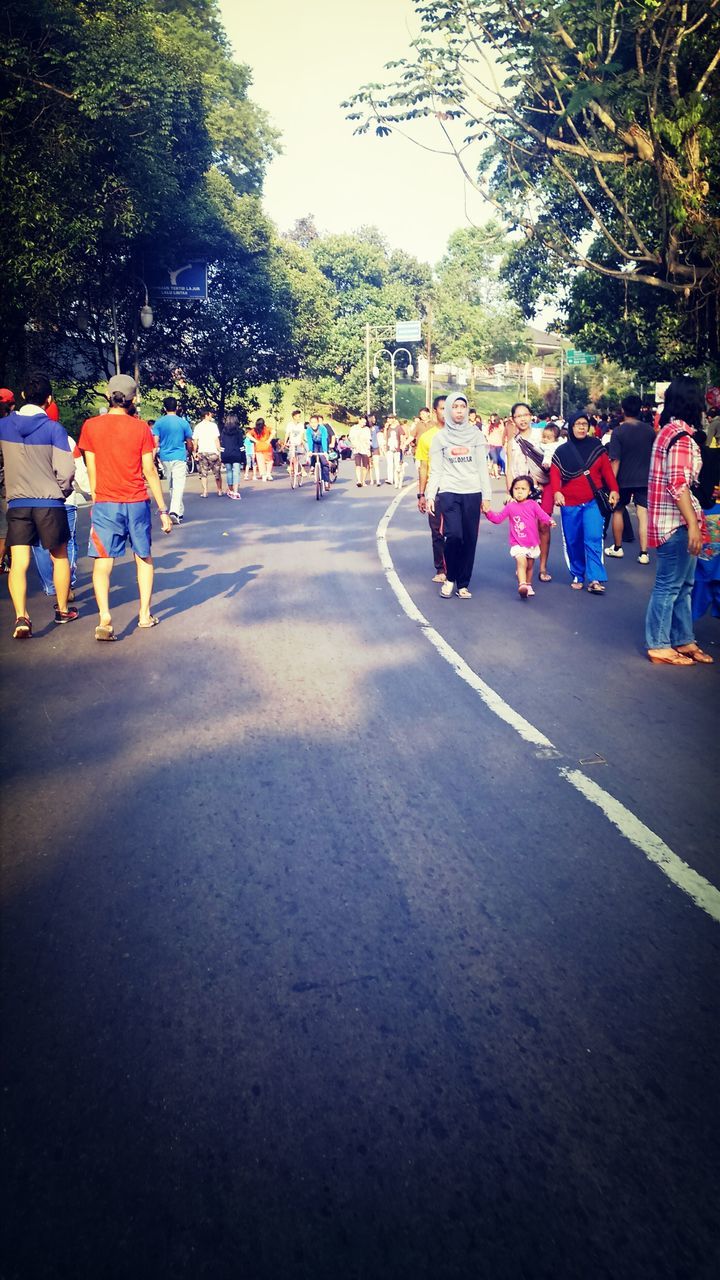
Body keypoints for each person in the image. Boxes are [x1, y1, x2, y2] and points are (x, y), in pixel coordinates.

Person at [78, 373, 172, 641]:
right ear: (132, 399)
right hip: (136, 501)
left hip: (106, 502)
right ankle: (144, 615)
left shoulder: (91, 426)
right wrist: (163, 509)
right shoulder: (141, 427)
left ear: (109, 396)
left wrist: (98, 499)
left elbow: (91, 467)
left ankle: (105, 616)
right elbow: (149, 470)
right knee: (143, 557)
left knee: (103, 561)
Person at [0, 370, 77, 638]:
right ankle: (63, 610)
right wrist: (62, 492)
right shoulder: (54, 429)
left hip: (17, 503)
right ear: (49, 398)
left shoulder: (3, 426)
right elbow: (66, 471)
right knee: (59, 557)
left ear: (22, 396)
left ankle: (21, 617)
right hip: (49, 503)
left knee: (19, 562)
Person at [645, 376, 713, 664]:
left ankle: (683, 639)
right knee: (669, 586)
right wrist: (694, 525)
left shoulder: (668, 431)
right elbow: (678, 484)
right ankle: (659, 644)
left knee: (684, 586)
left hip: (673, 521)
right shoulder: (681, 437)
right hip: (675, 524)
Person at [425, 393, 492, 599]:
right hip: (448, 491)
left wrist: (486, 496)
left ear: (467, 410)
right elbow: (435, 470)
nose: (459, 410)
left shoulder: (476, 436)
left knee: (469, 539)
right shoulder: (440, 438)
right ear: (448, 411)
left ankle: (463, 583)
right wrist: (429, 495)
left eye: (463, 406)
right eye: (455, 407)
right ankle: (450, 577)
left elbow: (482, 468)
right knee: (454, 535)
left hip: (472, 492)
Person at [549, 411, 619, 593]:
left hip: (592, 502)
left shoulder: (597, 446)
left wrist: (614, 490)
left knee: (593, 538)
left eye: (584, 424)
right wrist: (557, 492)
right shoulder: (562, 451)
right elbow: (555, 474)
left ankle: (595, 578)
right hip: (569, 503)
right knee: (573, 540)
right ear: (571, 427)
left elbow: (607, 471)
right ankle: (578, 574)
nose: (581, 427)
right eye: (577, 424)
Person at [485, 474, 556, 598]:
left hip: (532, 543)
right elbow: (498, 519)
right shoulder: (510, 506)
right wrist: (488, 513)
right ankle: (522, 584)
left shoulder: (533, 505)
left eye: (523, 489)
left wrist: (550, 521)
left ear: (529, 491)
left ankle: (528, 585)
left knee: (530, 566)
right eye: (516, 489)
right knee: (521, 561)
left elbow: (542, 515)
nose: (519, 492)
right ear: (512, 490)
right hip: (517, 542)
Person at [506, 402, 554, 581]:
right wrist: (510, 493)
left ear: (531, 416)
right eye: (518, 416)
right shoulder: (512, 443)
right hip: (522, 490)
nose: (522, 419)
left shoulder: (542, 436)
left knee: (543, 525)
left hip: (543, 486)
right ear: (513, 420)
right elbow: (510, 469)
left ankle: (542, 567)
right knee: (524, 527)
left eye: (525, 415)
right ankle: (523, 563)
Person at [605, 393, 655, 564]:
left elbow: (615, 460)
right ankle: (644, 553)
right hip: (644, 478)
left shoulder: (618, 432)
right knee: (643, 514)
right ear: (640, 409)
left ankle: (618, 548)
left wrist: (612, 485)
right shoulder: (649, 431)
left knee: (618, 511)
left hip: (622, 479)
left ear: (623, 410)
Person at [416, 396, 447, 583]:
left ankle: (455, 567)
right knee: (436, 531)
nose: (446, 412)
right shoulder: (427, 437)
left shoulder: (459, 435)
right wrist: (421, 494)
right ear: (435, 412)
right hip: (434, 492)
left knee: (454, 532)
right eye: (442, 408)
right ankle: (441, 569)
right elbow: (424, 468)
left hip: (456, 490)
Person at [153, 396, 193, 522]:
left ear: (164, 408)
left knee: (171, 484)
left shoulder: (159, 423)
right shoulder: (183, 423)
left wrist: (153, 457)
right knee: (178, 484)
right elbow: (189, 442)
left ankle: (178, 512)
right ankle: (175, 511)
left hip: (165, 457)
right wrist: (189, 452)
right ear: (177, 407)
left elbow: (155, 443)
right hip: (179, 456)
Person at [193, 408, 223, 496]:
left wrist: (194, 452)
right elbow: (216, 439)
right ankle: (219, 490)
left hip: (202, 452)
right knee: (217, 472)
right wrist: (219, 451)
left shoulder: (198, 426)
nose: (211, 415)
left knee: (203, 473)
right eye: (210, 414)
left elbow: (195, 441)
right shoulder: (213, 426)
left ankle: (205, 492)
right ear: (207, 415)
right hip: (213, 451)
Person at [220, 413, 244, 499]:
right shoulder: (239, 432)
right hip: (236, 454)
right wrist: (243, 457)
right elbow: (241, 445)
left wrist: (222, 456)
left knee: (229, 472)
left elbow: (222, 445)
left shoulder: (223, 432)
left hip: (226, 454)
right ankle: (235, 491)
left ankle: (230, 490)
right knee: (236, 472)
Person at [305, 414, 331, 490]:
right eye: (311, 423)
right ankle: (313, 466)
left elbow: (324, 440)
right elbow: (310, 440)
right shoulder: (308, 430)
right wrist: (310, 450)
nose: (313, 424)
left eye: (315, 422)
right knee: (314, 453)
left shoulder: (323, 429)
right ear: (310, 423)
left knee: (324, 462)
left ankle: (326, 481)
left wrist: (325, 452)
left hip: (322, 444)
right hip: (314, 444)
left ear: (318, 422)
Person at [283, 410, 306, 486]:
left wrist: (302, 441)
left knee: (300, 457)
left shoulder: (301, 425)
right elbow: (287, 433)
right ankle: (292, 467)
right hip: (292, 443)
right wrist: (285, 442)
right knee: (291, 457)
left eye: (299, 416)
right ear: (294, 417)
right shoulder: (290, 425)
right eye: (297, 416)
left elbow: (302, 433)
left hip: (299, 442)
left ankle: (300, 470)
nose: (299, 417)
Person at [349, 416, 371, 487]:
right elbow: (350, 438)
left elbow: (369, 440)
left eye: (365, 422)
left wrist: (368, 449)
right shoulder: (354, 428)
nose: (364, 424)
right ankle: (359, 480)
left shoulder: (367, 429)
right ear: (359, 420)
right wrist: (353, 444)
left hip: (365, 449)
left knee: (365, 466)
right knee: (357, 465)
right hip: (357, 449)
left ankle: (363, 480)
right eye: (363, 422)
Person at [250, 417, 274, 481]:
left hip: (258, 448)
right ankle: (268, 474)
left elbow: (247, 435)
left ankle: (264, 475)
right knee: (269, 461)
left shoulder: (254, 430)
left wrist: (255, 441)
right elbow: (274, 432)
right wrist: (269, 440)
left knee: (261, 462)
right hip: (267, 447)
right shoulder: (267, 429)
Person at [384, 416, 405, 487]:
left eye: (390, 418)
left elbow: (402, 437)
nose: (388, 420)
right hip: (389, 448)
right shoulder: (388, 428)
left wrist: (402, 445)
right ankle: (390, 479)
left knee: (397, 464)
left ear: (394, 419)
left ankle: (397, 479)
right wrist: (385, 428)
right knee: (389, 464)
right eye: (387, 419)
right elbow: (385, 437)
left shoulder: (398, 427)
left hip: (397, 449)